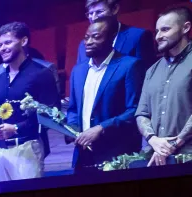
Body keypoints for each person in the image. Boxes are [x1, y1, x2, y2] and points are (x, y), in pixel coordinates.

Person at [66, 18, 144, 173]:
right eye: (86, 37)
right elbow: (73, 109)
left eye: (96, 37)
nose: (88, 42)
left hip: (116, 153)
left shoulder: (129, 65)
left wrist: (101, 128)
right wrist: (72, 130)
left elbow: (135, 110)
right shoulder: (78, 71)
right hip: (82, 153)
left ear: (112, 38)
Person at [0, 22, 60, 182]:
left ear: (24, 41)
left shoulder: (41, 73)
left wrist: (16, 128)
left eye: (8, 42)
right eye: (0, 44)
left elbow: (51, 114)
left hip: (27, 147)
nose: (2, 48)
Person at [136, 5, 192, 164]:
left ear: (185, 28)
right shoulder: (152, 70)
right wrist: (153, 139)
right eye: (157, 31)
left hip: (188, 157)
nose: (158, 36)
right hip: (155, 156)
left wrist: (173, 144)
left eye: (165, 29)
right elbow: (142, 113)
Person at [74, 0, 156, 69]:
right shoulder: (83, 45)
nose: (94, 18)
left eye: (99, 12)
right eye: (91, 13)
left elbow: (146, 75)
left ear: (115, 9)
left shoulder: (138, 37)